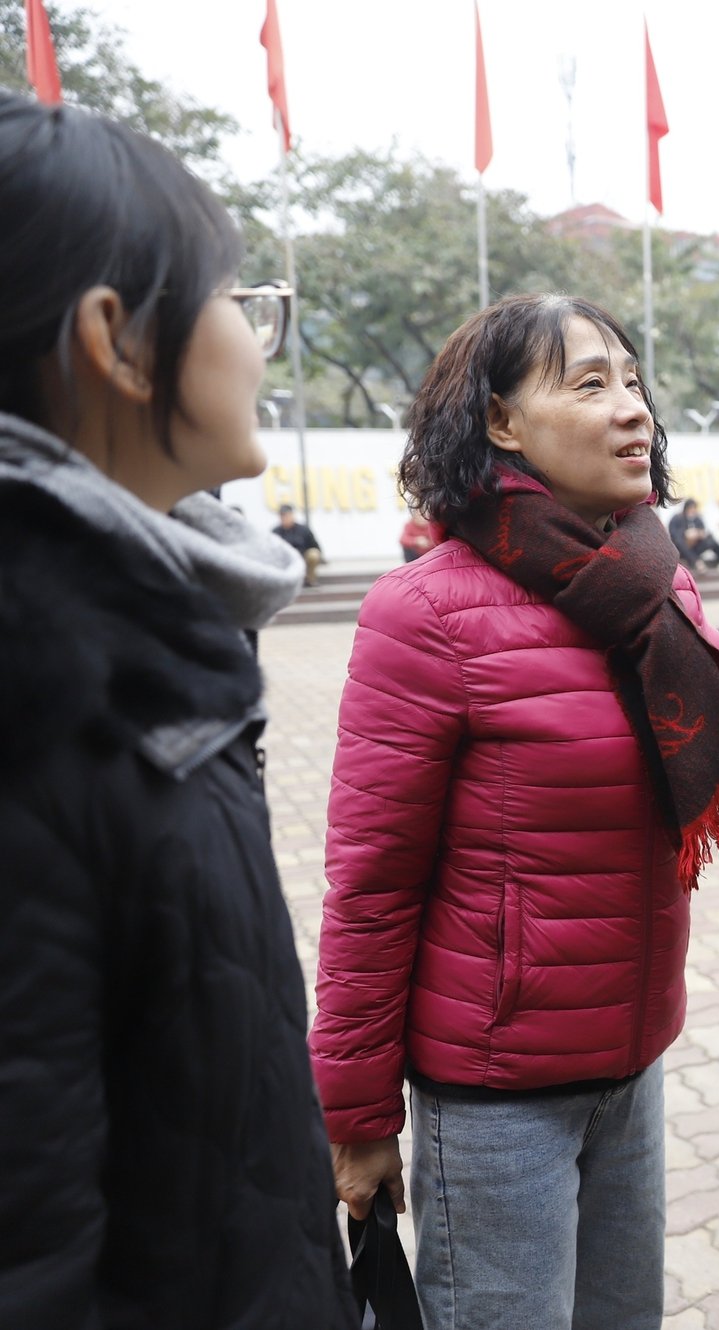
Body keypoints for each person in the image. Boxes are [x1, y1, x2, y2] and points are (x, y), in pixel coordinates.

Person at [309, 294, 719, 1330]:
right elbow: (371, 885)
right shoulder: (426, 612)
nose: (632, 410)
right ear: (499, 422)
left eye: (630, 380)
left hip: (631, 1066)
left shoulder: (653, 588)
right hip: (496, 1098)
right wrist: (355, 1115)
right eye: (587, 383)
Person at [0, 93, 353, 1327]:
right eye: (237, 302)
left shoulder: (136, 633)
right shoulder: (42, 708)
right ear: (117, 340)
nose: (260, 343)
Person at [273, 501, 323, 584]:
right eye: (282, 515)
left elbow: (315, 546)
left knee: (314, 554)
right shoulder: (276, 532)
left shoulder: (303, 530)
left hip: (302, 559)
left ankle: (310, 579)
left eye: (286, 515)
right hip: (284, 561)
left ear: (292, 515)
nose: (284, 518)